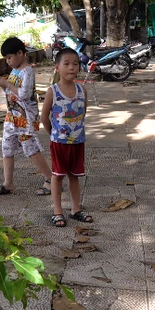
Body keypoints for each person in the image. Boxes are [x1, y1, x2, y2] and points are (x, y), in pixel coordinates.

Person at [0, 37, 53, 198]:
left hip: (26, 117)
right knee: (7, 147)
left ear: (20, 53)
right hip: (12, 116)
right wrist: (3, 85)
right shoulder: (14, 70)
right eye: (6, 58)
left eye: (9, 57)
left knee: (30, 148)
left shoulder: (27, 71)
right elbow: (11, 92)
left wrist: (7, 84)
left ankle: (50, 179)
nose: (8, 61)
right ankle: (8, 183)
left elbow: (24, 94)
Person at [40, 48, 93, 227]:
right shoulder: (53, 91)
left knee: (74, 175)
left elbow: (83, 114)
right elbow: (44, 117)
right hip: (59, 143)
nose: (71, 67)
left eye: (75, 64)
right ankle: (57, 211)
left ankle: (76, 209)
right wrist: (53, 134)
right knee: (57, 175)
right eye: (67, 64)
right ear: (57, 67)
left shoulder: (82, 91)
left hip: (77, 142)